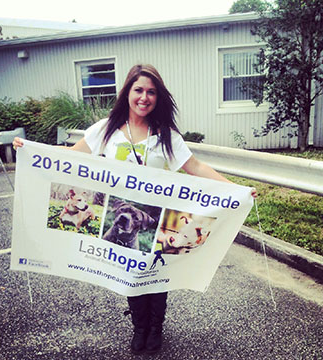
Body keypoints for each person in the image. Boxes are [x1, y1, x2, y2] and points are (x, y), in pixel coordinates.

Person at [13, 64, 257, 355]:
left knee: (156, 274)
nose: (144, 97)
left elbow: (196, 167)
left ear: (158, 97)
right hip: (124, 217)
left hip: (154, 218)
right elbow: (71, 155)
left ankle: (156, 329)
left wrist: (237, 191)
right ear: (127, 92)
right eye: (138, 90)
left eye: (151, 92)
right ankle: (139, 328)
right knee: (130, 275)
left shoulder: (166, 135)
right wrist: (30, 148)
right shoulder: (106, 130)